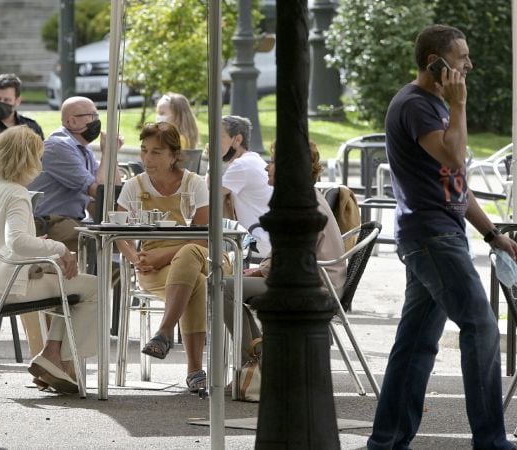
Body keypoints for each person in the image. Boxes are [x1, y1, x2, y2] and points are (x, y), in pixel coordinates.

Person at [367, 25, 517, 450]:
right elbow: (453, 155)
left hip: (440, 232)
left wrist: (491, 234)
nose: (469, 64)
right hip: (431, 236)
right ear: (437, 62)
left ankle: (386, 441)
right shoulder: (417, 105)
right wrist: (460, 104)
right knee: (481, 326)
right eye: (462, 57)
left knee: (415, 344)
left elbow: (455, 181)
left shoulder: (434, 105)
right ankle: (491, 441)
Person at [0, 125, 98, 394]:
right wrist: (58, 248)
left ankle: (52, 355)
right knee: (91, 287)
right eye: (38, 157)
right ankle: (61, 361)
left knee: (68, 284)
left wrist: (43, 253)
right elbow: (18, 242)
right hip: (8, 288)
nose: (40, 163)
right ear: (27, 160)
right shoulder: (16, 193)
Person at [115, 122, 222, 393]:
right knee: (195, 283)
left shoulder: (194, 183)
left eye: (156, 152)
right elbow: (118, 232)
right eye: (144, 151)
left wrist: (163, 255)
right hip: (153, 268)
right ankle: (194, 371)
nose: (147, 158)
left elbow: (202, 237)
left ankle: (164, 332)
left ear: (174, 155)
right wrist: (134, 258)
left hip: (201, 258)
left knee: (189, 254)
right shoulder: (133, 186)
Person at [222, 140, 346, 361]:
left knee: (222, 287)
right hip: (313, 279)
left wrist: (260, 270)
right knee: (229, 284)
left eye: (272, 162)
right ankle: (258, 356)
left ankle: (255, 362)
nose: (266, 167)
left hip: (311, 286)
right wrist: (261, 270)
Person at [28, 96, 112, 251]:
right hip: (49, 225)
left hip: (69, 222)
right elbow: (99, 191)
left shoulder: (83, 149)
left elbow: (110, 190)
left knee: (114, 245)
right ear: (72, 121)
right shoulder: (59, 147)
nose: (97, 121)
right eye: (92, 116)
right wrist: (107, 152)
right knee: (104, 249)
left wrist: (111, 153)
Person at [215, 115, 272, 255]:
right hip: (265, 239)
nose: (213, 141)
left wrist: (211, 161)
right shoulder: (252, 159)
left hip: (258, 245)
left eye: (219, 136)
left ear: (237, 140)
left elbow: (210, 195)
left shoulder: (242, 165)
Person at [0, 73, 45, 145]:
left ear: (18, 101)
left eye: (7, 100)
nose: (1, 103)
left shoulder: (32, 128)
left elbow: (40, 155)